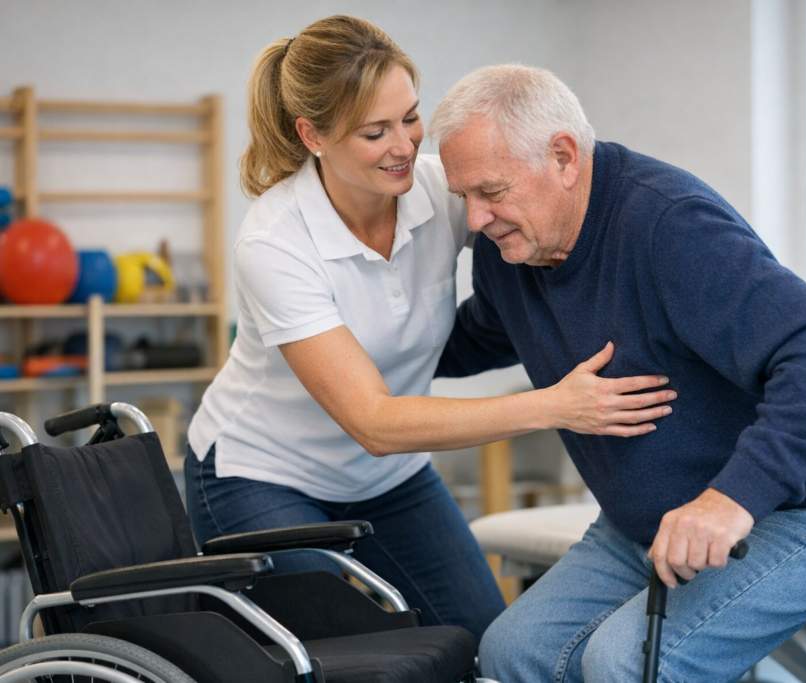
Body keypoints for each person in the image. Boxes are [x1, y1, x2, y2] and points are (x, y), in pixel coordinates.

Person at [184, 18, 676, 646]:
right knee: (346, 652)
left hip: (388, 482)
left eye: (410, 118)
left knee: (477, 642)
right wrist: (555, 406)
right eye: (375, 131)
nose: (404, 146)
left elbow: (547, 225)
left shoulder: (441, 191)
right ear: (312, 135)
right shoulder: (275, 243)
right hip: (260, 476)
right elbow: (376, 424)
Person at [430, 63, 806, 682]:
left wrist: (730, 500)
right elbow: (469, 341)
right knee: (514, 650)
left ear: (563, 158)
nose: (477, 220)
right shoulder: (511, 252)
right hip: (643, 528)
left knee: (624, 662)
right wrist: (330, 345)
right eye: (464, 197)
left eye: (490, 192)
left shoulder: (669, 226)